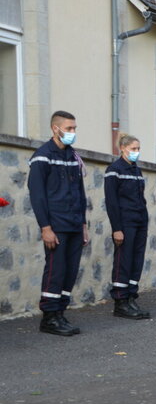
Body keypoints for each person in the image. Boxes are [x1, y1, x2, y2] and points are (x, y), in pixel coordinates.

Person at [28, 110, 89, 336]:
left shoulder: (73, 157)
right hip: (56, 225)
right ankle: (49, 317)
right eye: (69, 128)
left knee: (70, 272)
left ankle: (60, 313)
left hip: (74, 224)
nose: (73, 132)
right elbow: (37, 196)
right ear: (56, 128)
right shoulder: (42, 156)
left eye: (74, 128)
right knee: (56, 270)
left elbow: (80, 193)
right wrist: (45, 227)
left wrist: (83, 225)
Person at [104, 133, 150, 319]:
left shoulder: (136, 170)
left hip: (140, 221)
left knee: (136, 261)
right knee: (123, 261)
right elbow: (112, 202)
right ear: (122, 148)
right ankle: (121, 302)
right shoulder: (114, 169)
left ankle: (131, 297)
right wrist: (117, 228)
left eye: (138, 149)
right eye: (133, 149)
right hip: (125, 223)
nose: (136, 152)